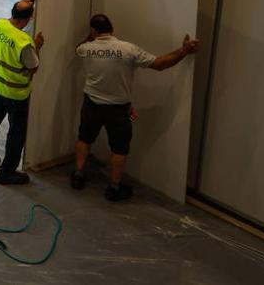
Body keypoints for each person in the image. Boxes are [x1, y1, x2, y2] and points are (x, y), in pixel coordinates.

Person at [71, 13, 199, 201]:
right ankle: (114, 188)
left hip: (91, 104)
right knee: (119, 148)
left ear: (93, 31)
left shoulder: (85, 49)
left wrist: (90, 36)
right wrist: (183, 51)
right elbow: (159, 64)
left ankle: (78, 175)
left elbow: (77, 48)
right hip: (117, 108)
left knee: (84, 138)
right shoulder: (128, 49)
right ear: (112, 29)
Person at [0, 0, 45, 184]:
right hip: (16, 93)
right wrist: (37, 47)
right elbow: (34, 68)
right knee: (16, 133)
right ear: (27, 20)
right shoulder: (24, 42)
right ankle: (7, 172)